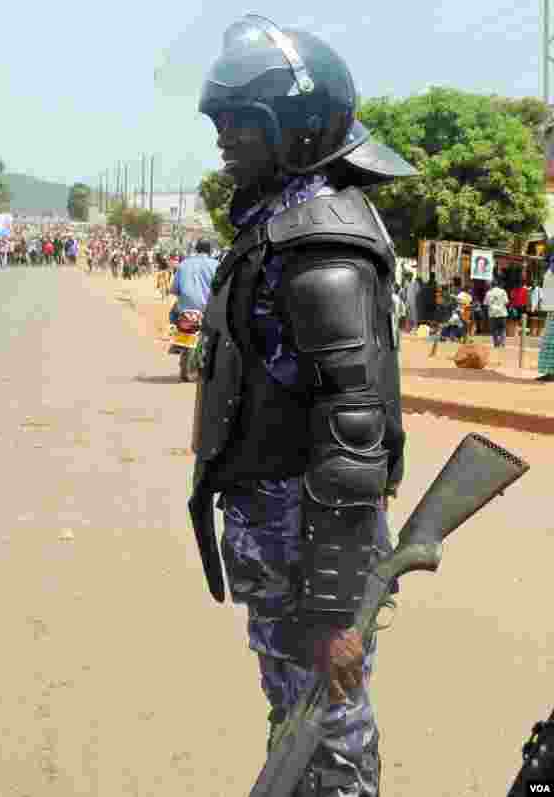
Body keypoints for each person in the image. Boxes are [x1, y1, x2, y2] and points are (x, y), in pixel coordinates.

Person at [189, 15, 413, 795]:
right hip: (286, 554)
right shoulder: (282, 226)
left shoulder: (321, 243)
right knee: (298, 726)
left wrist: (335, 612)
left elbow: (352, 436)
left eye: (239, 123)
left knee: (328, 737)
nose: (222, 139)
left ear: (296, 129)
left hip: (309, 558)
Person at [168, 239, 218, 325]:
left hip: (184, 311)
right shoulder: (216, 265)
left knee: (172, 316)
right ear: (210, 250)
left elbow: (174, 290)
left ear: (196, 249)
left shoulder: (183, 264)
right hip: (207, 311)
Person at [484, 278, 509, 349]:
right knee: (502, 329)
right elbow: (506, 302)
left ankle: (496, 344)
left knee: (494, 330)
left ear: (491, 285)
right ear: (498, 285)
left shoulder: (488, 293)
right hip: (502, 313)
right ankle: (502, 343)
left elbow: (485, 303)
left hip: (492, 314)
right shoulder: (503, 291)